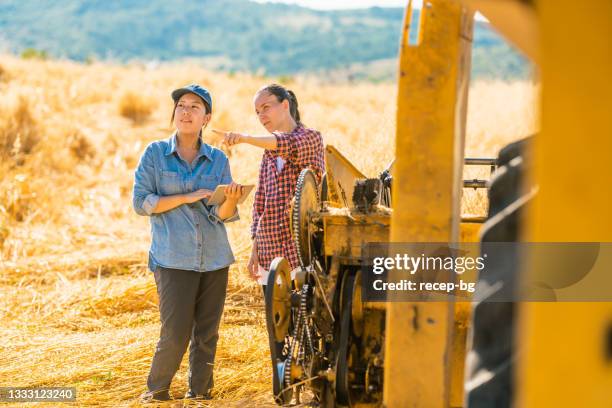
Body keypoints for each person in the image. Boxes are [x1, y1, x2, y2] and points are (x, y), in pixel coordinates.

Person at [133, 84, 242, 403]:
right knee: (175, 332)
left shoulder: (218, 159)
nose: (186, 111)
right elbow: (141, 203)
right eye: (181, 105)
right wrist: (184, 197)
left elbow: (222, 215)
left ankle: (200, 393)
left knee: (207, 333)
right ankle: (156, 391)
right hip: (172, 258)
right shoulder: (154, 153)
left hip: (215, 258)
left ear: (206, 118)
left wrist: (232, 201)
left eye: (195, 107)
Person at [213, 84, 324, 290]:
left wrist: (244, 138)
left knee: (303, 315)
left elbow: (287, 144)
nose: (261, 115)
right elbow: (260, 203)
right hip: (269, 252)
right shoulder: (267, 153)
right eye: (257, 112)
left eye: (265, 107)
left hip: (301, 250)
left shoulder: (311, 137)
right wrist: (255, 247)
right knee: (276, 320)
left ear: (284, 105)